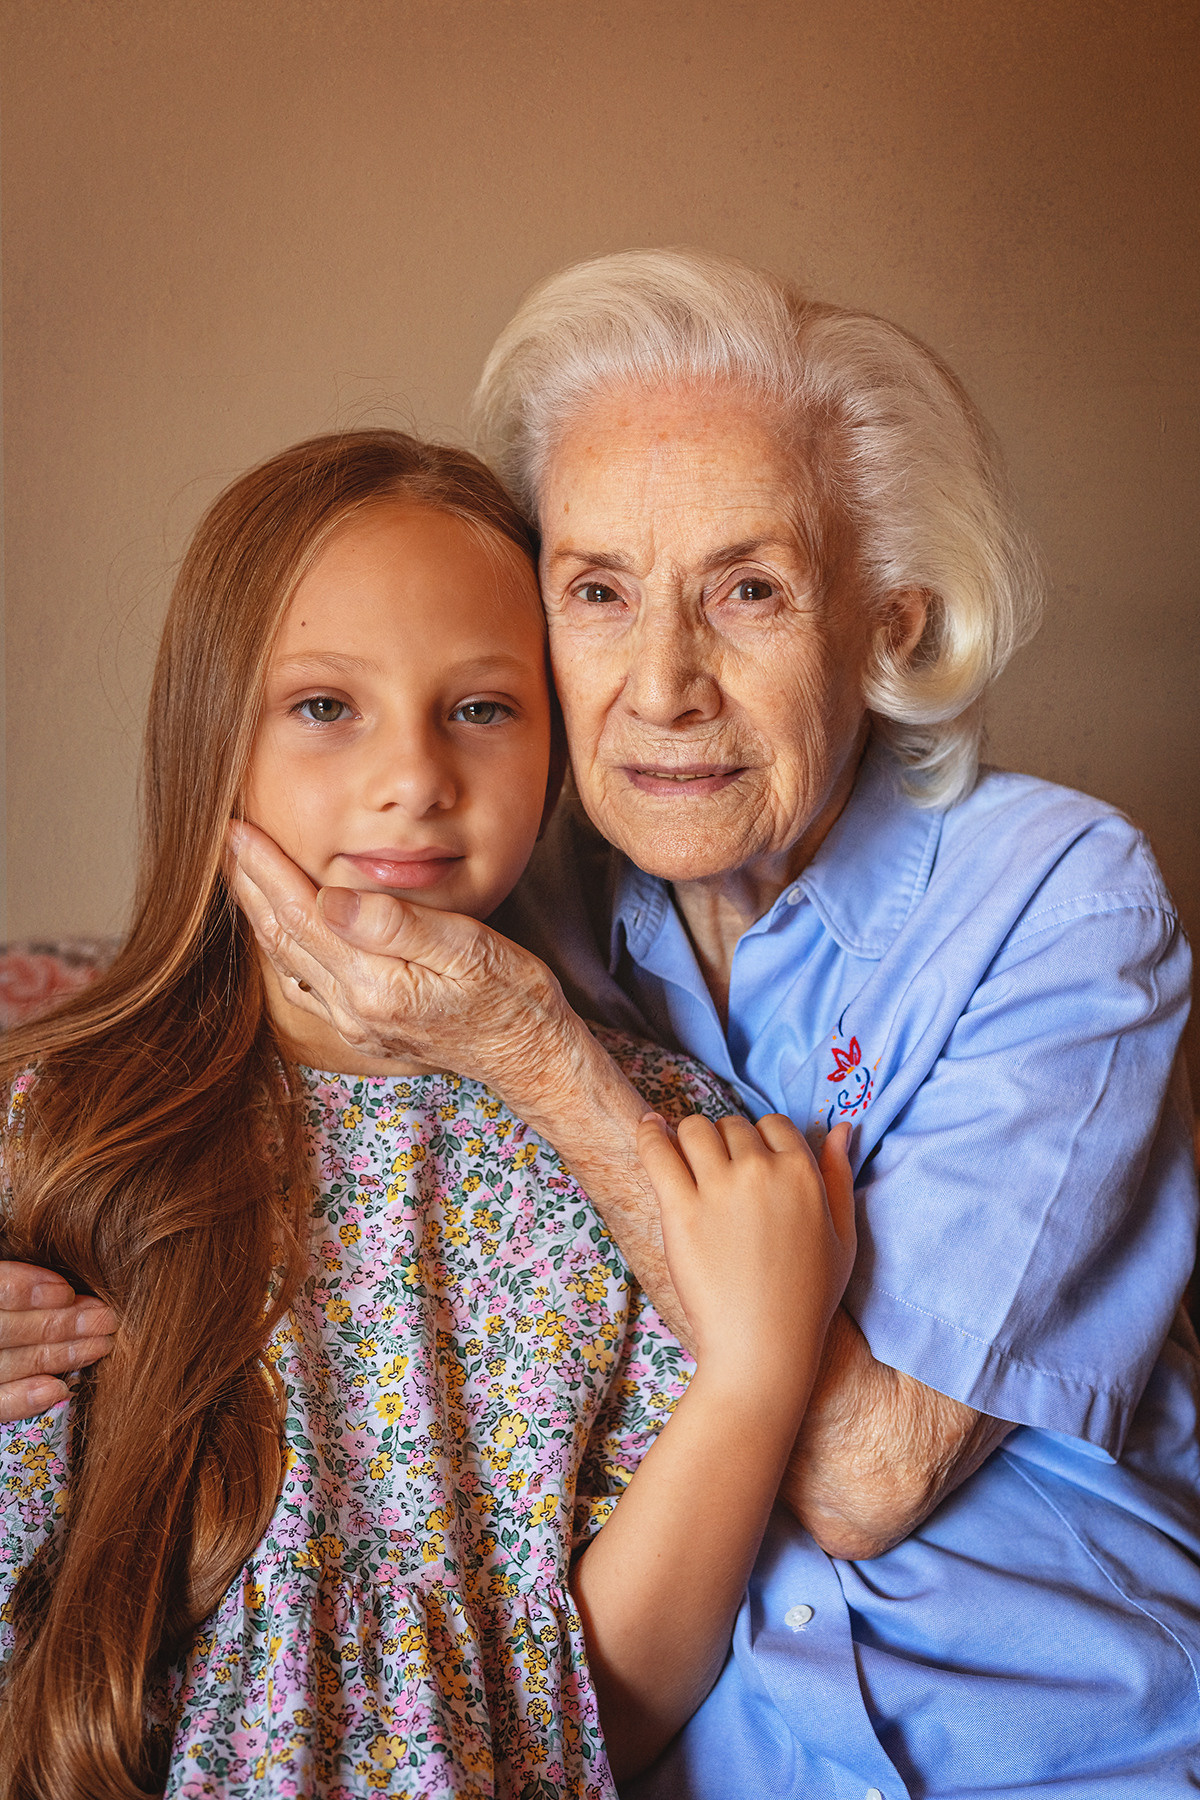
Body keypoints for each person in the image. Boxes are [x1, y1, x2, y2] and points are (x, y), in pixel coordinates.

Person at [186, 252, 1198, 1795]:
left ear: (888, 626)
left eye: (749, 591)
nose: (662, 686)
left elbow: (868, 1476)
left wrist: (538, 1056)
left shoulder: (1058, 898)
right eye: (597, 593)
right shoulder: (498, 880)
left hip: (1073, 1745)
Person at [0, 427, 856, 1799]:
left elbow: (607, 1712)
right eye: (325, 705)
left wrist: (756, 1375)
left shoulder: (648, 1140)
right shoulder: (57, 1119)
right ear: (212, 741)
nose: (413, 776)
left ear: (559, 751)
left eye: (481, 709)